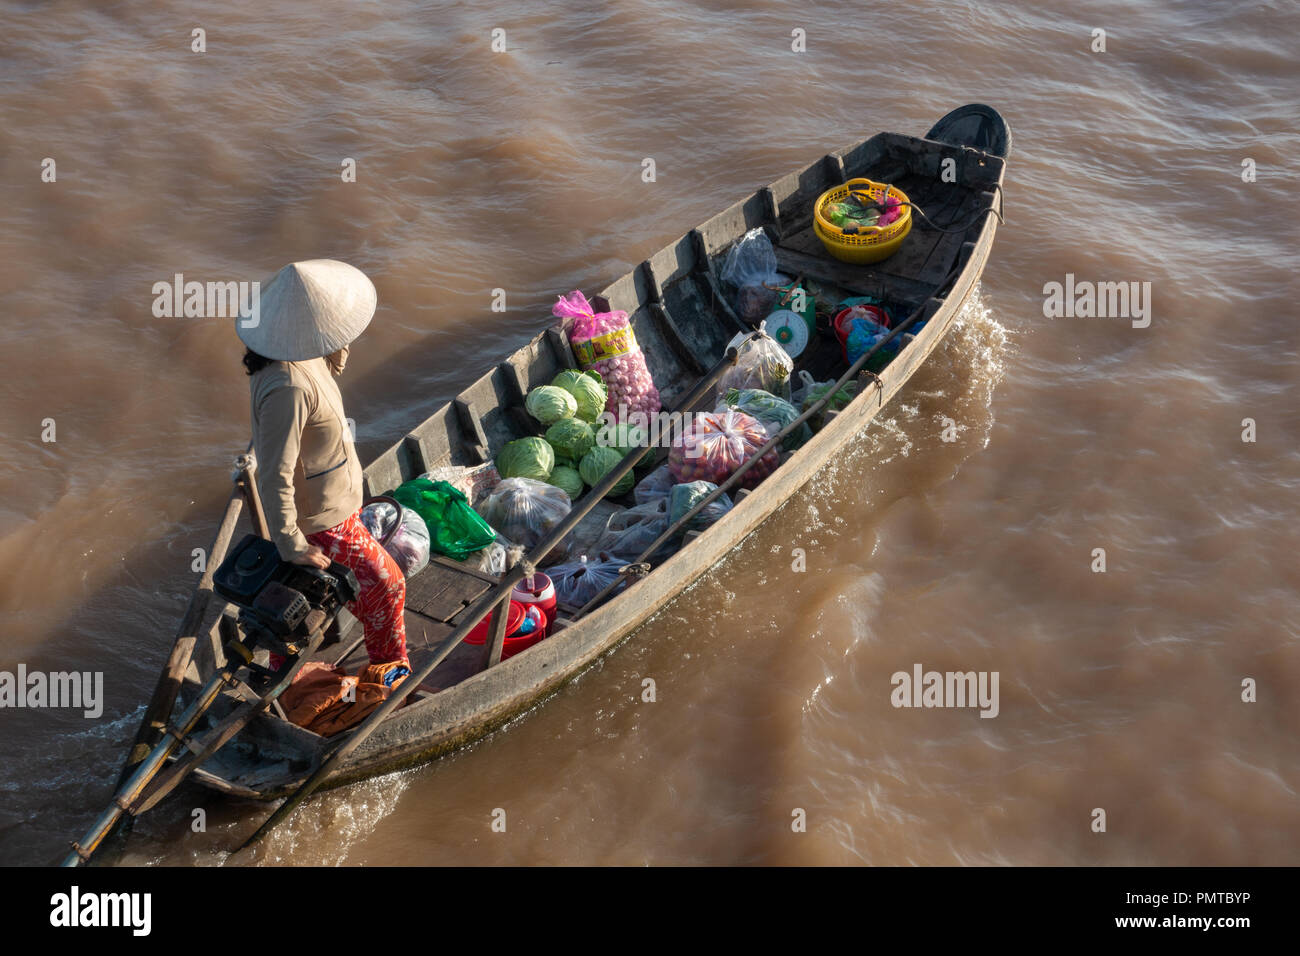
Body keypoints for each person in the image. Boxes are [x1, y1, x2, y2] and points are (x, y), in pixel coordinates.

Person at [236, 259, 409, 671]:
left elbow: (327, 376)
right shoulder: (286, 387)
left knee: (325, 597)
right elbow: (275, 473)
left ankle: (286, 664)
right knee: (388, 586)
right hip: (322, 522)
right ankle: (390, 669)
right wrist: (292, 545)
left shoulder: (300, 356)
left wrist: (337, 344)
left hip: (337, 503)